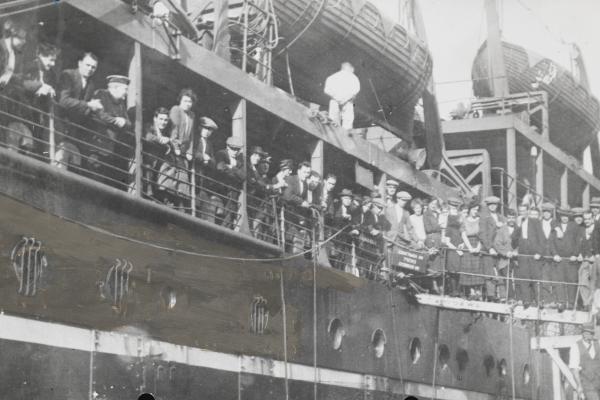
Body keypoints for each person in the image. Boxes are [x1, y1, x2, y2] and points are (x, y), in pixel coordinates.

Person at [56, 51, 103, 169]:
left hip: (74, 133)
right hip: (60, 125)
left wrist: (94, 109)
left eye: (93, 67)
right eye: (88, 65)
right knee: (58, 160)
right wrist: (88, 104)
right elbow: (63, 101)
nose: (90, 69)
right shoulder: (68, 75)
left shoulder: (91, 85)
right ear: (80, 63)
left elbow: (85, 111)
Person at [17, 42, 59, 157]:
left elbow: (52, 95)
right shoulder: (28, 66)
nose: (53, 64)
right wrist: (39, 86)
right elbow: (20, 83)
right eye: (51, 60)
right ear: (40, 55)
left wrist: (50, 93)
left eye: (54, 60)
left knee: (37, 149)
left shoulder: (51, 75)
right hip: (24, 113)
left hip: (39, 119)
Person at [90, 75, 133, 187]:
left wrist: (123, 121)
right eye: (125, 90)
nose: (126, 93)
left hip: (109, 150)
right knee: (93, 181)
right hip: (95, 147)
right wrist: (115, 120)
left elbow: (128, 123)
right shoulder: (100, 94)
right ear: (115, 87)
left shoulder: (121, 104)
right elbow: (99, 115)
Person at [157, 89, 196, 209]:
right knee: (170, 175)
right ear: (180, 100)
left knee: (182, 179)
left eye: (190, 101)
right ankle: (166, 201)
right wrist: (175, 146)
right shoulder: (176, 109)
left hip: (184, 152)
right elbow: (173, 129)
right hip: (174, 148)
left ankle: (177, 203)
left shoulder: (191, 115)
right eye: (185, 101)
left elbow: (191, 136)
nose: (187, 104)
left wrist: (189, 151)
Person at [0, 20, 30, 152]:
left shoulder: (14, 53)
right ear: (11, 35)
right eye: (21, 38)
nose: (24, 41)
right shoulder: (1, 48)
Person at [214, 136, 245, 228]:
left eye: (237, 149)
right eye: (233, 149)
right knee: (218, 214)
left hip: (233, 195)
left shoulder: (239, 161)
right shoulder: (221, 154)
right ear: (228, 147)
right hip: (221, 189)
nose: (235, 151)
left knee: (229, 217)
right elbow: (220, 168)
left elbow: (243, 176)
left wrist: (232, 167)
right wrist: (235, 174)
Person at [515, 207, 544, 305]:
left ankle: (539, 300)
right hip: (523, 253)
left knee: (536, 277)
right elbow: (513, 240)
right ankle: (526, 300)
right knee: (524, 277)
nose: (522, 213)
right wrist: (518, 226)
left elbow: (541, 237)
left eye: (524, 211)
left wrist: (539, 252)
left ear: (527, 212)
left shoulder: (535, 222)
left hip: (534, 253)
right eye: (520, 211)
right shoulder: (518, 223)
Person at [554, 207, 581, 308]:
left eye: (566, 216)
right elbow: (551, 242)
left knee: (572, 280)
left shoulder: (574, 226)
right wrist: (555, 254)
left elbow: (578, 242)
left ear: (569, 216)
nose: (564, 218)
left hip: (571, 259)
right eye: (562, 216)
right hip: (559, 259)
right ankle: (561, 301)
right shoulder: (555, 225)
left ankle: (571, 302)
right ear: (560, 216)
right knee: (559, 280)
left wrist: (575, 254)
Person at [479, 196, 504, 301]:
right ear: (488, 206)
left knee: (501, 271)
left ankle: (502, 295)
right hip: (489, 249)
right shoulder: (484, 217)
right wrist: (489, 248)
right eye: (491, 205)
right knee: (489, 272)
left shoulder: (501, 217)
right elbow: (482, 234)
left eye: (495, 205)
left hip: (500, 249)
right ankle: (491, 295)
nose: (493, 206)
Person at [142, 107, 170, 198]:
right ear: (155, 118)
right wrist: (160, 140)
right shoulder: (149, 126)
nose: (163, 122)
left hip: (157, 165)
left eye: (166, 120)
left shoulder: (165, 133)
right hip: (147, 162)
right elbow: (148, 137)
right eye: (161, 119)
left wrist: (167, 143)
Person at [193, 116, 218, 221]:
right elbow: (191, 151)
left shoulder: (210, 144)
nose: (207, 132)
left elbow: (214, 161)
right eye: (206, 129)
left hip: (203, 177)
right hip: (194, 172)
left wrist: (209, 161)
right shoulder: (194, 138)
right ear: (200, 128)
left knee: (203, 201)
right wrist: (202, 156)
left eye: (210, 130)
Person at [323, 62, 360, 130]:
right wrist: (345, 99)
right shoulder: (353, 78)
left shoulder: (332, 77)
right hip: (347, 102)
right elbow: (356, 90)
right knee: (347, 123)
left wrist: (336, 97)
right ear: (351, 68)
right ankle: (346, 134)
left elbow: (326, 90)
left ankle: (334, 131)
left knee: (333, 121)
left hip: (335, 100)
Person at [460, 199, 484, 299]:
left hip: (477, 243)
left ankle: (478, 291)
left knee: (477, 268)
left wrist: (478, 247)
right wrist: (470, 248)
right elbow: (463, 234)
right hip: (468, 244)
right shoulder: (464, 220)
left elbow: (482, 235)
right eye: (474, 210)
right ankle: (471, 291)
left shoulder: (480, 220)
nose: (475, 212)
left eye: (477, 210)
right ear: (470, 210)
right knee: (468, 267)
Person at [493, 209, 519, 301]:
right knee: (506, 275)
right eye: (509, 218)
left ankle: (520, 297)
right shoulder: (502, 230)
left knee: (519, 277)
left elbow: (523, 243)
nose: (511, 220)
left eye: (513, 218)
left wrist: (517, 251)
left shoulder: (519, 229)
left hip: (516, 259)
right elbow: (497, 244)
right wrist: (505, 252)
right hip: (505, 259)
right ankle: (511, 297)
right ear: (507, 218)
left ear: (516, 218)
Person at [570, 322, 600, 400]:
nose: (588, 335)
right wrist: (579, 386)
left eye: (591, 333)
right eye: (586, 333)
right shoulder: (576, 347)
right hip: (587, 384)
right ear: (582, 333)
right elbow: (575, 369)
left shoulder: (598, 344)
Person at [442, 197, 464, 296]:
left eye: (456, 206)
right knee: (452, 269)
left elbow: (463, 229)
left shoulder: (460, 216)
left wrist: (462, 243)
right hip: (452, 246)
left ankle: (458, 291)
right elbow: (447, 241)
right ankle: (453, 290)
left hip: (459, 241)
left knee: (459, 269)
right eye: (452, 206)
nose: (454, 208)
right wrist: (456, 250)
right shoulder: (446, 216)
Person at [578, 211, 600, 310]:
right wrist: (579, 254)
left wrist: (596, 255)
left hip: (596, 259)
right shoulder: (581, 228)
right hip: (585, 259)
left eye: (589, 219)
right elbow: (578, 243)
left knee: (594, 282)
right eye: (585, 219)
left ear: (593, 218)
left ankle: (593, 304)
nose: (586, 221)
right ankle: (586, 303)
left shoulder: (598, 227)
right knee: (582, 280)